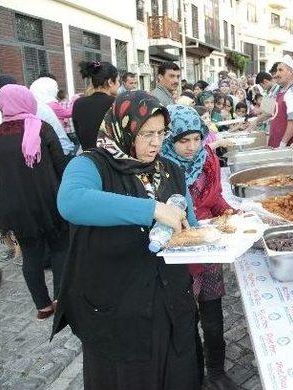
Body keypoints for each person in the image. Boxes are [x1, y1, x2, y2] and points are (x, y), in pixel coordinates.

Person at [53, 91, 200, 390]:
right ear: (125, 128)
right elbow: (71, 201)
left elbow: (188, 222)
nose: (156, 142)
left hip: (171, 300)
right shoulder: (92, 164)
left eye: (161, 133)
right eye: (147, 134)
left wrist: (213, 235)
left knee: (177, 373)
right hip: (119, 307)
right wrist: (152, 209)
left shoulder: (169, 168)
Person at [161, 105, 238, 390]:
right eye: (184, 140)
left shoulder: (208, 159)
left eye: (196, 139)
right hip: (177, 253)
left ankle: (217, 372)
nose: (192, 147)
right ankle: (192, 375)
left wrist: (233, 213)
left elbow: (216, 199)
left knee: (213, 314)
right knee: (184, 319)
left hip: (208, 250)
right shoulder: (161, 167)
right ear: (170, 139)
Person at [0, 85, 69, 320]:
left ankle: (42, 305)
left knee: (30, 254)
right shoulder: (41, 128)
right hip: (48, 202)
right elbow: (60, 165)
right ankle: (61, 297)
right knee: (59, 248)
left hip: (15, 207)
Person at [72, 61, 119, 150]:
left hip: (89, 158)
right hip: (112, 160)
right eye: (118, 80)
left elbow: (79, 134)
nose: (119, 84)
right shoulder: (117, 103)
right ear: (110, 82)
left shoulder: (78, 103)